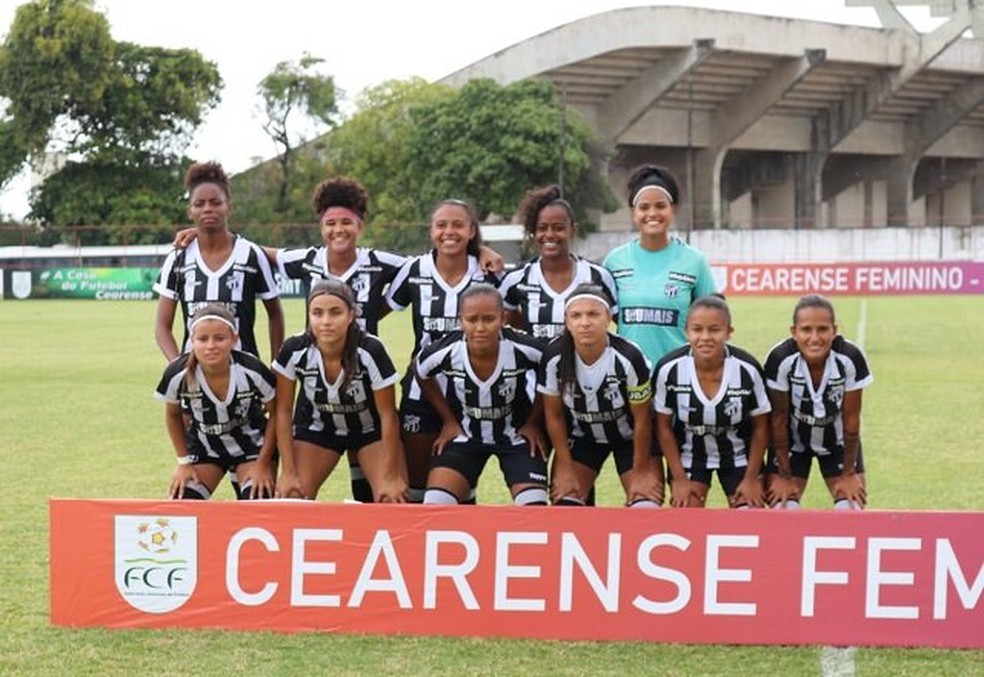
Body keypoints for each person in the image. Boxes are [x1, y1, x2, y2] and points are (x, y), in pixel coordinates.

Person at [385, 198, 500, 502]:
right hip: (421, 391)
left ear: (472, 231)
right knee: (418, 485)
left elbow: (512, 324)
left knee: (461, 481)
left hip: (472, 391)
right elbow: (373, 313)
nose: (449, 231)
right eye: (441, 225)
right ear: (431, 231)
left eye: (458, 225)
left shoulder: (488, 272)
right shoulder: (415, 269)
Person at [272, 279, 407, 502]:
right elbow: (284, 410)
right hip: (318, 429)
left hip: (369, 431)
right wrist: (287, 472)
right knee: (292, 495)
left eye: (335, 313)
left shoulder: (370, 350)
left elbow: (388, 415)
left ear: (351, 315)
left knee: (391, 498)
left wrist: (391, 475)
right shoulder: (294, 349)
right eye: (317, 313)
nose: (325, 321)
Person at [414, 284, 548, 505]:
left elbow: (552, 373)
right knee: (435, 506)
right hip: (465, 436)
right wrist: (448, 420)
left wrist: (533, 422)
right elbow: (420, 371)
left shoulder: (524, 348)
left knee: (534, 510)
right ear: (460, 320)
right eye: (472, 319)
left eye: (488, 319)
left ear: (503, 318)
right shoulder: (447, 350)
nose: (480, 327)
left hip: (516, 438)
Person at [538, 284, 662, 507]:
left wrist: (641, 469)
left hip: (631, 438)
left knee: (645, 505)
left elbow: (643, 418)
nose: (585, 322)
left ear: (608, 318)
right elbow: (553, 415)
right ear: (567, 321)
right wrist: (565, 466)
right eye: (576, 316)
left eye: (593, 314)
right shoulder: (554, 356)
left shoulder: (629, 356)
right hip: (583, 437)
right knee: (566, 503)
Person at [154, 161, 284, 363]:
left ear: (229, 207)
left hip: (244, 379)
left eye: (215, 202)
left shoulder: (251, 254)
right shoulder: (177, 259)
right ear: (190, 211)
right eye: (199, 204)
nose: (207, 209)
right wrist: (177, 367)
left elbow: (275, 315)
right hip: (194, 377)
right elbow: (162, 326)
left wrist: (276, 366)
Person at [653, 295, 771, 508]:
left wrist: (752, 478)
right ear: (686, 332)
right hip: (690, 454)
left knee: (750, 516)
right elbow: (663, 428)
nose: (705, 337)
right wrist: (679, 478)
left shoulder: (748, 370)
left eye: (715, 330)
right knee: (686, 515)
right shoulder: (669, 369)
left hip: (739, 454)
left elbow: (761, 429)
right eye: (697, 329)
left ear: (729, 332)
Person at [154, 304, 277, 500]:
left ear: (234, 339)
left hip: (252, 447)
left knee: (258, 499)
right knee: (182, 502)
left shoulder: (252, 369)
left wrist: (263, 463)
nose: (211, 345)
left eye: (219, 338)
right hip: (205, 447)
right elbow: (172, 414)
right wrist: (184, 462)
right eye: (202, 339)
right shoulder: (178, 373)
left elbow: (277, 413)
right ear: (192, 340)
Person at [763, 295, 873, 510]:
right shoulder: (780, 358)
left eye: (822, 329)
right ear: (794, 332)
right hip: (792, 442)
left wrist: (849, 473)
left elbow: (851, 418)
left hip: (838, 443)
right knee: (783, 508)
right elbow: (778, 419)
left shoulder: (850, 357)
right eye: (806, 330)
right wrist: (784, 475)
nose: (814, 338)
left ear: (834, 330)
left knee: (851, 508)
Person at [602, 164, 716, 366]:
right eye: (644, 207)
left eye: (660, 206)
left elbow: (714, 316)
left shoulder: (694, 261)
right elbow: (605, 314)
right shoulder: (614, 261)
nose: (652, 213)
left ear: (673, 209)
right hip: (629, 376)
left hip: (678, 375)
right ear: (633, 212)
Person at [499, 184, 618, 341]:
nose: (549, 234)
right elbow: (504, 319)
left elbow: (620, 325)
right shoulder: (517, 278)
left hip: (583, 366)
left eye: (558, 228)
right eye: (542, 228)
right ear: (534, 232)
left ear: (572, 230)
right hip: (535, 366)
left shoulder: (598, 276)